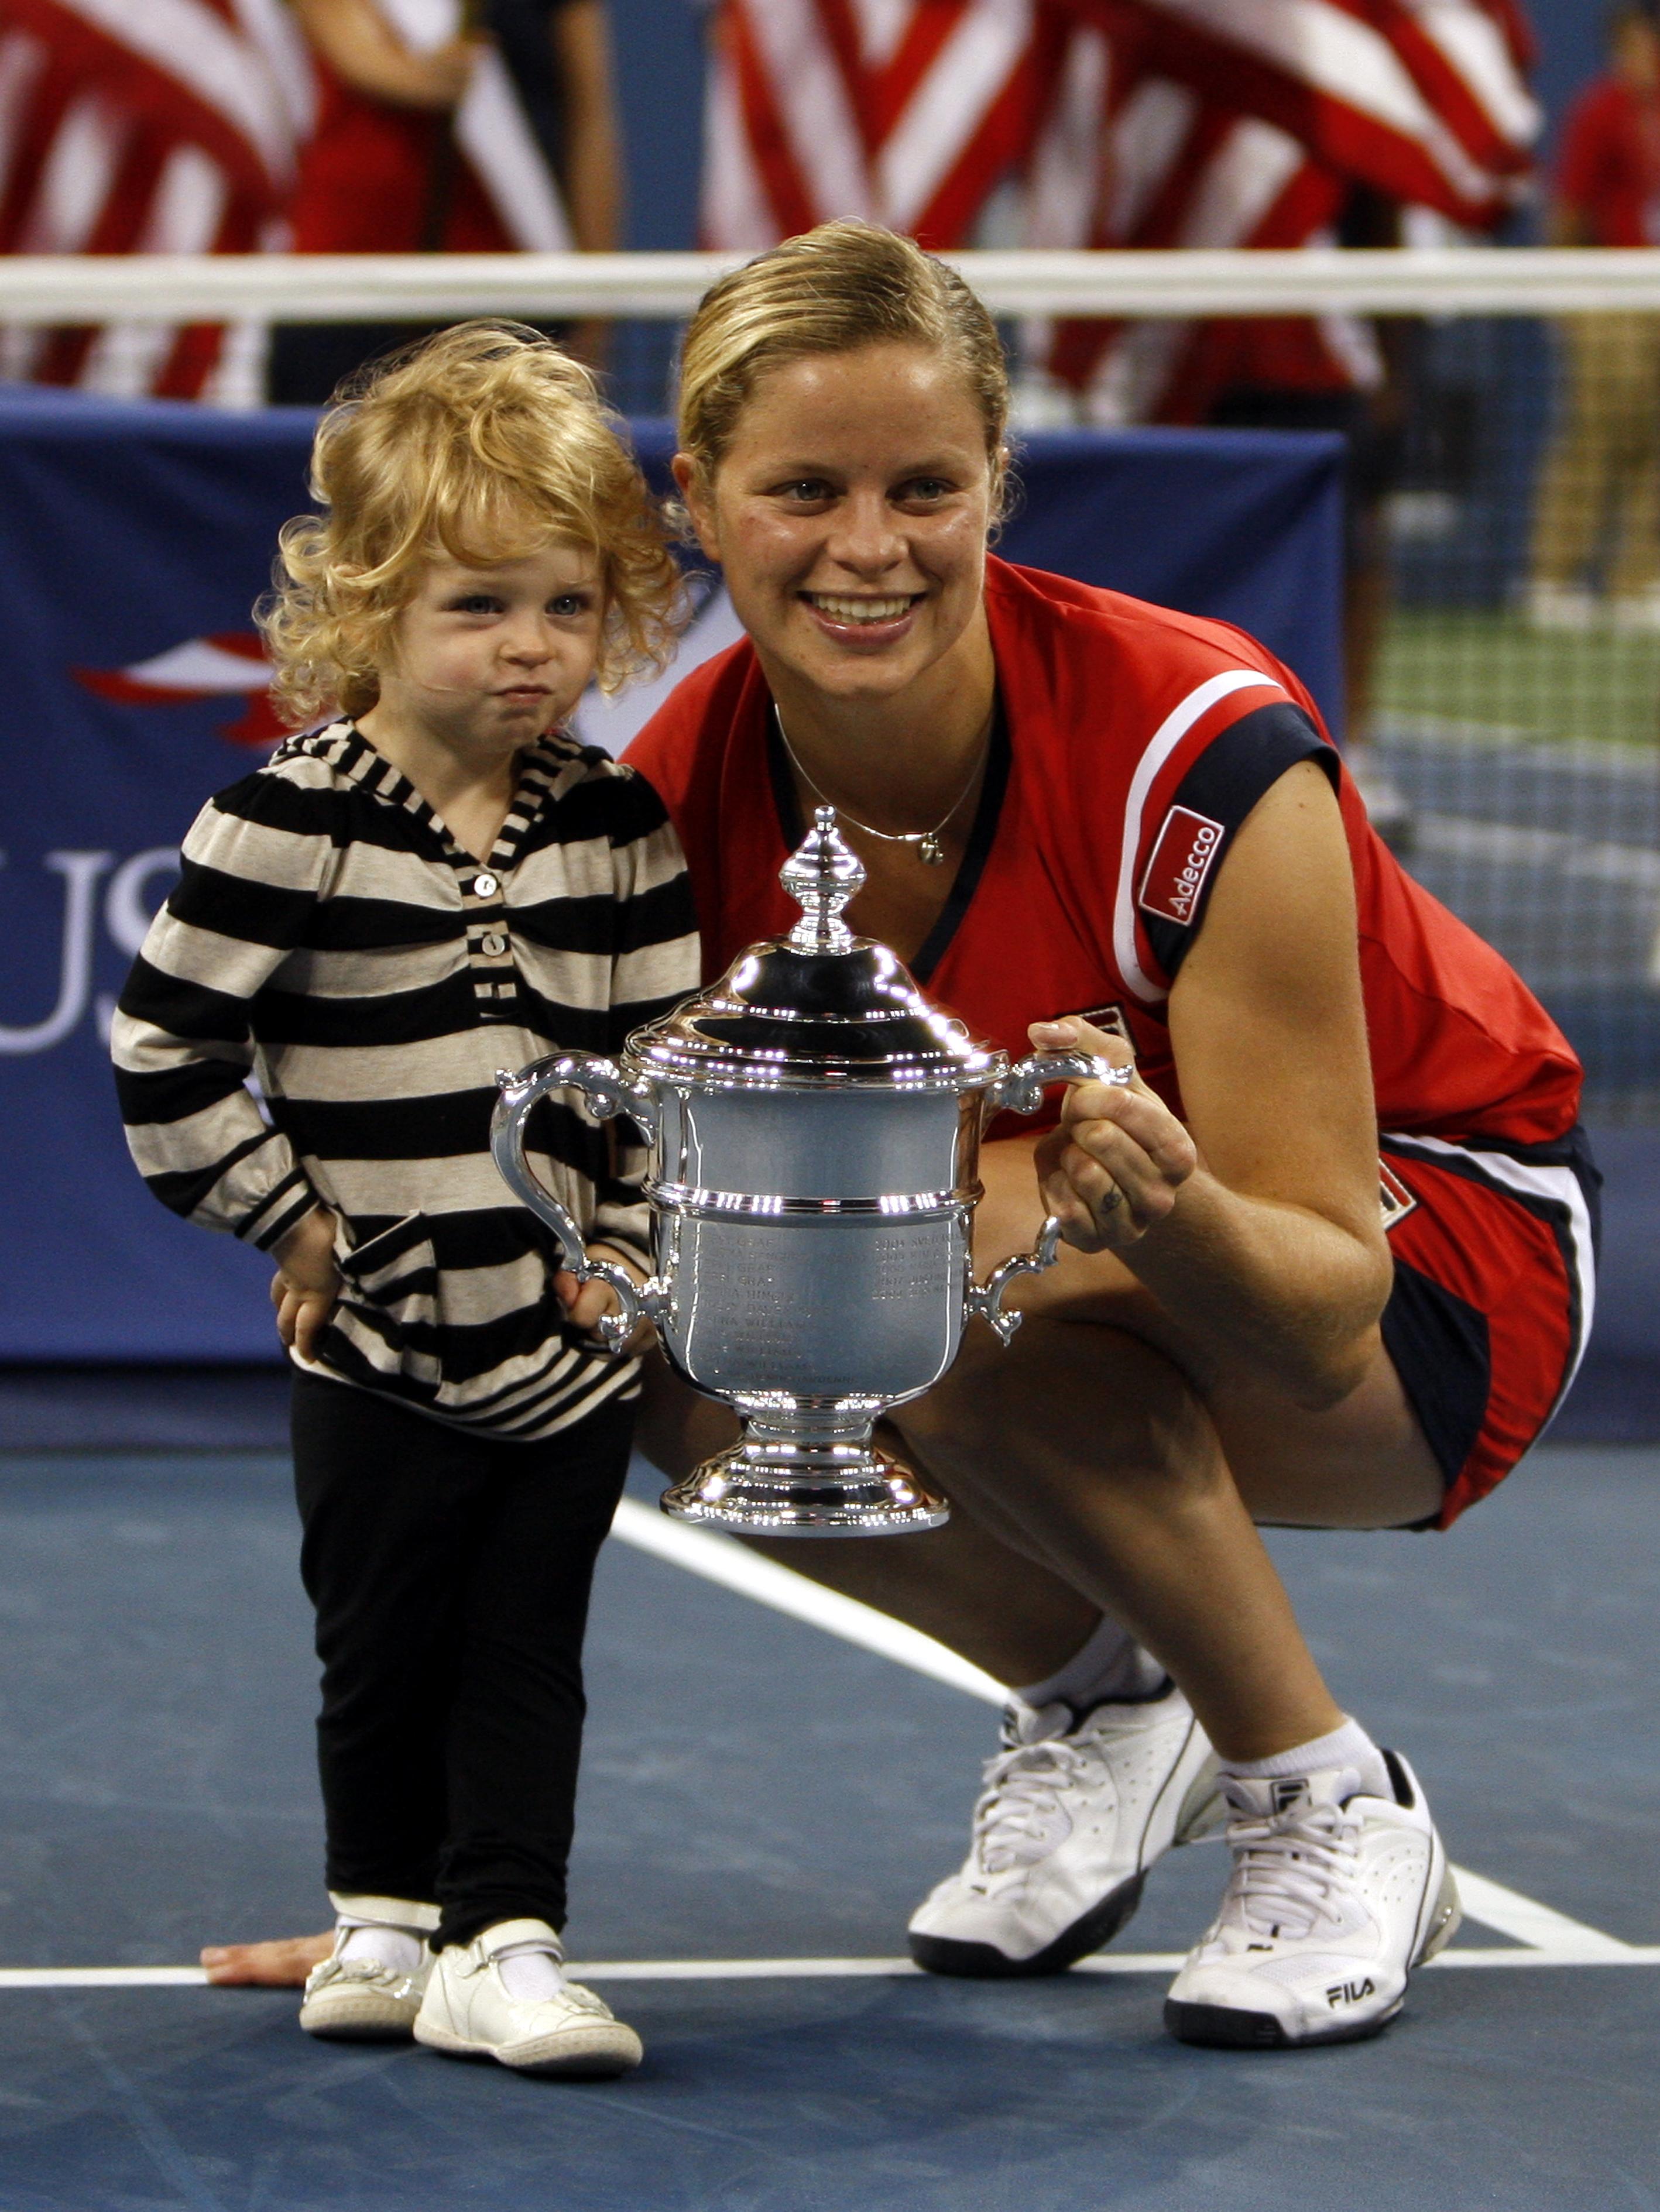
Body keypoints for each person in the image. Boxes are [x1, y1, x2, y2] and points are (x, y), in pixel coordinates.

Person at [211, 223, 1596, 2053]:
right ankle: (1100, 1694)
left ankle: (1327, 1796)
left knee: (900, 1240)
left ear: (996, 483)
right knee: (627, 1311)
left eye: (924, 486)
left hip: (1430, 1254)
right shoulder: (675, 797)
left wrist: (1167, 1219)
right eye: (805, 490)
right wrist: (392, 1903)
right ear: (699, 499)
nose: (869, 548)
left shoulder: (1201, 756)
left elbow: (1328, 1305)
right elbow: (580, 1222)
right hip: (1053, 1238)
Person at [114, 323, 699, 2076]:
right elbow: (166, 1058)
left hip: (566, 1352)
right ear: (369, 609)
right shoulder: (280, 822)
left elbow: (656, 1079)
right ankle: (382, 1914)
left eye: (568, 606)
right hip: (371, 1348)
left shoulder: (619, 829)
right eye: (478, 607)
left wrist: (623, 1253)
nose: (532, 650)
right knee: (376, 1643)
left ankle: (504, 1937)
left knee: (528, 1648)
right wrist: (295, 1228)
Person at [269, 0, 621, 404]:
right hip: (344, 292)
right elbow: (358, 52)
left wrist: (596, 301)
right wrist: (417, 75)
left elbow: (591, 122)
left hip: (512, 292)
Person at [1528, 2, 1660, 631]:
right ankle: (1552, 580)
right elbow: (1568, 210)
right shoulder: (1600, 108)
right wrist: (1568, 295)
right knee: (1600, 429)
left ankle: (1638, 583)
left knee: (1655, 440)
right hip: (1609, 294)